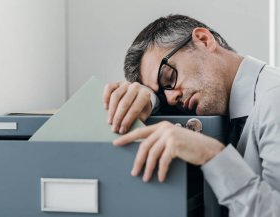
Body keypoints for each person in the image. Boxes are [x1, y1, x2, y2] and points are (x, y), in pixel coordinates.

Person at [103, 14, 280, 217]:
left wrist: (213, 156)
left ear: (204, 40)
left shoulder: (275, 100)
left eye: (168, 78)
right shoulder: (227, 107)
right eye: (162, 93)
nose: (170, 98)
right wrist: (150, 99)